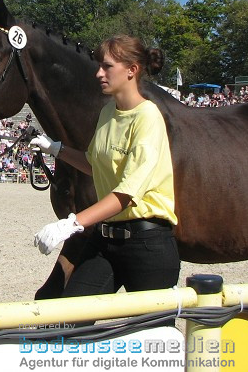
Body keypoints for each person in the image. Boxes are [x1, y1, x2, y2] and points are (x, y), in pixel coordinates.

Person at [29, 34, 180, 298]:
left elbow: (126, 193)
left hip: (147, 244)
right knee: (69, 316)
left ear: (132, 70)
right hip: (105, 241)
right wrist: (57, 149)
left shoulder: (148, 117)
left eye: (107, 66)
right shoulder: (108, 113)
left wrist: (71, 224)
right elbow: (93, 164)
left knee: (153, 333)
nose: (99, 73)